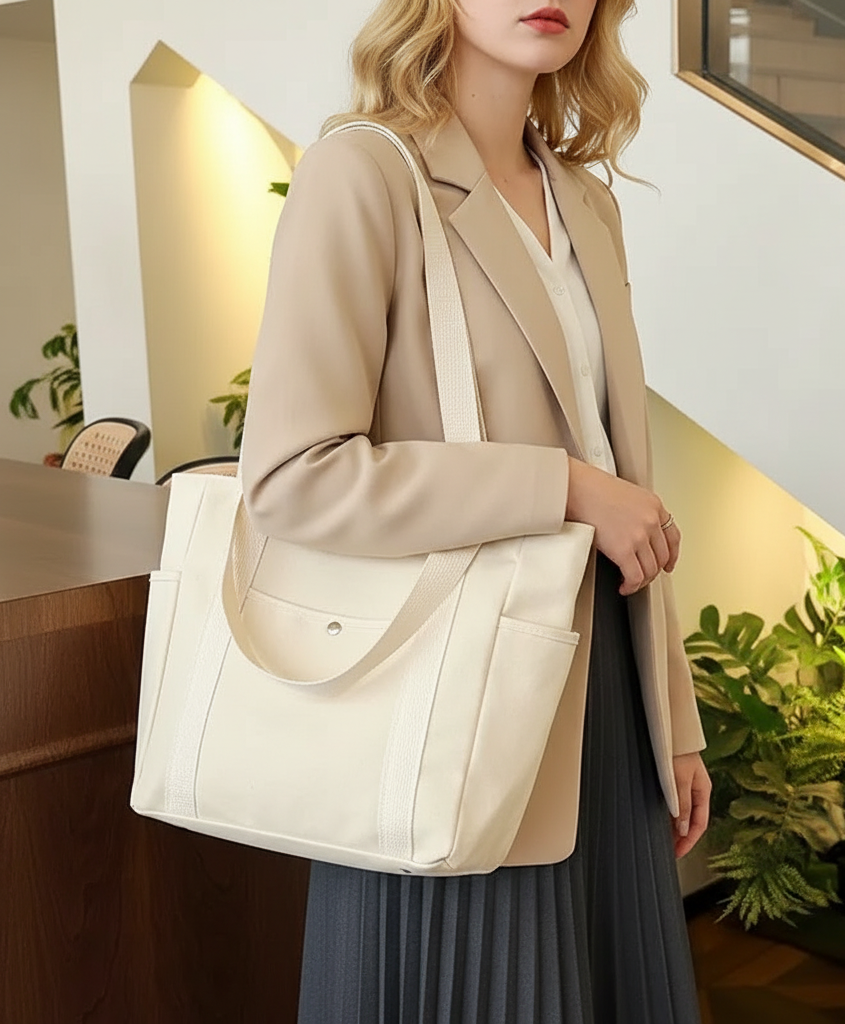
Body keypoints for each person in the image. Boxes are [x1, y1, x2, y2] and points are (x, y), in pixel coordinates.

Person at [241, 0, 712, 1020]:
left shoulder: (585, 199)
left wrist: (671, 718)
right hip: (449, 701)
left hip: (605, 706)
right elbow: (293, 474)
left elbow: (617, 459)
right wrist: (562, 488)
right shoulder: (361, 174)